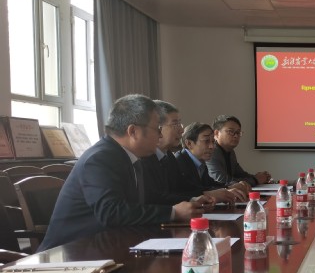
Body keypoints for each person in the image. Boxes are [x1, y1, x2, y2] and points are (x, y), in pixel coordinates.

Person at [39, 94, 203, 251]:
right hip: (70, 253)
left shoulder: (127, 156)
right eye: (157, 129)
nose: (160, 135)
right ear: (133, 131)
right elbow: (112, 213)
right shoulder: (100, 159)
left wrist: (188, 203)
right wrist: (173, 212)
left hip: (105, 246)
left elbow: (148, 200)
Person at [142, 101, 242, 206]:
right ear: (157, 126)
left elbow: (185, 188)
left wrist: (217, 193)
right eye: (175, 124)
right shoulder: (145, 159)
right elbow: (160, 198)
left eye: (180, 124)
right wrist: (206, 196)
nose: (181, 130)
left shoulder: (168, 156)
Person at [175, 123, 248, 201]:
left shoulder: (200, 163)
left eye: (213, 141)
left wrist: (230, 187)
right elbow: (185, 193)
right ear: (189, 143)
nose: (212, 146)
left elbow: (210, 185)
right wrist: (224, 190)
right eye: (206, 141)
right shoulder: (178, 162)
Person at [208, 115, 271, 186]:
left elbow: (241, 174)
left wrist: (260, 177)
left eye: (238, 132)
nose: (236, 136)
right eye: (230, 131)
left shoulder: (230, 152)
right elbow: (222, 181)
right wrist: (255, 180)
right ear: (216, 133)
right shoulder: (211, 151)